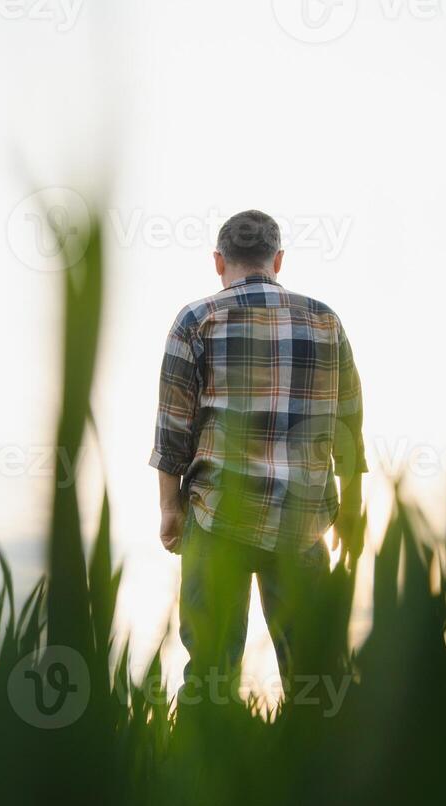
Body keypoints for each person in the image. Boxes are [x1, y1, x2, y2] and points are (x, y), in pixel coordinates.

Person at [149, 209, 365, 682]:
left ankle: (201, 755)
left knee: (210, 671)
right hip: (304, 522)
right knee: (314, 675)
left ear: (218, 261)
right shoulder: (326, 321)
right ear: (278, 259)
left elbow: (173, 429)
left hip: (216, 518)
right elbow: (349, 426)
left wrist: (170, 508)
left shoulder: (196, 319)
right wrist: (351, 510)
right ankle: (317, 755)